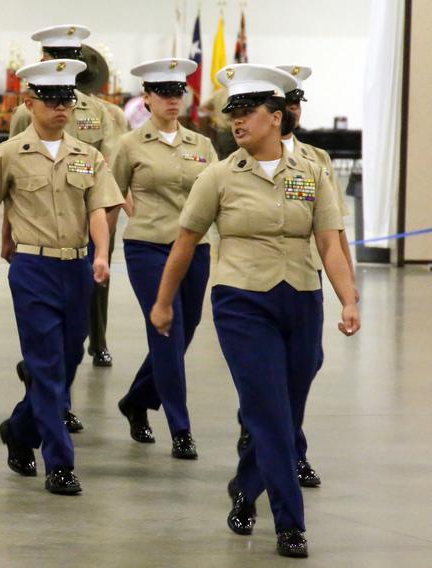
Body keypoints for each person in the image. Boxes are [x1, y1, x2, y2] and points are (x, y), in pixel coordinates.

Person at [150, 64, 360, 558]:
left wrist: (348, 297)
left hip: (302, 298)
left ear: (275, 116)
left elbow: (330, 244)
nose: (236, 123)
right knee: (267, 411)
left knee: (286, 412)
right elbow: (185, 243)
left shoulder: (311, 172)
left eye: (246, 113)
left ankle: (246, 487)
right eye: (233, 115)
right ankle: (290, 523)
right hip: (242, 301)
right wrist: (163, 301)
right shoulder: (218, 176)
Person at [0, 59, 124, 494]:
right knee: (47, 367)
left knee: (66, 363)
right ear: (29, 103)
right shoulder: (9, 154)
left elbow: (98, 211)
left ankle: (18, 428)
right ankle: (60, 462)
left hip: (79, 268)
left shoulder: (87, 156)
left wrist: (103, 255)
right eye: (51, 100)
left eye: (66, 99)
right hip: (33, 267)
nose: (61, 108)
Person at [110, 58, 217, 460]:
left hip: (195, 249)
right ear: (147, 98)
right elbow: (111, 194)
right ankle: (180, 427)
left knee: (185, 331)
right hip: (148, 247)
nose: (173, 100)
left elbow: (218, 194)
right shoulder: (130, 145)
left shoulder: (201, 145)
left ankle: (137, 399)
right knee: (167, 329)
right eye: (164, 94)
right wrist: (101, 251)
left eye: (178, 93)